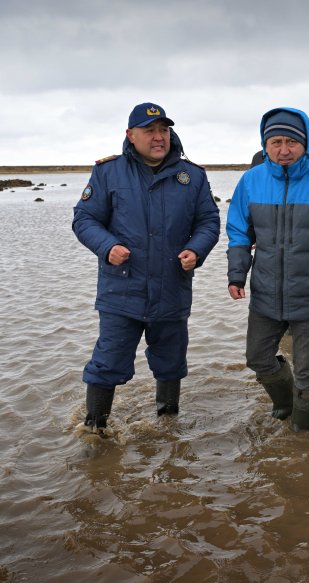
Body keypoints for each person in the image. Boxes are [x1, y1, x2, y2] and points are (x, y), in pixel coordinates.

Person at [72, 102, 220, 432]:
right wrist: (107, 246)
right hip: (121, 291)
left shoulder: (192, 176)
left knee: (171, 364)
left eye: (163, 130)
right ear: (130, 135)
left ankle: (167, 429)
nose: (158, 137)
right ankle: (95, 430)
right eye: (149, 130)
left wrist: (196, 250)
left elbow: (209, 220)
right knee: (106, 363)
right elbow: (84, 220)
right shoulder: (108, 172)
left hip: (172, 290)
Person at [226, 107, 309, 431]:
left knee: (308, 372)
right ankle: (284, 402)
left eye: (291, 141)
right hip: (264, 295)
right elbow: (239, 231)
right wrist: (237, 274)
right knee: (257, 358)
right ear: (265, 144)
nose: (283, 149)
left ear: (306, 141)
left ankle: (303, 435)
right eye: (275, 141)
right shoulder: (251, 180)